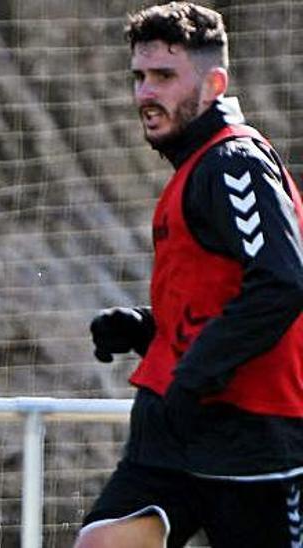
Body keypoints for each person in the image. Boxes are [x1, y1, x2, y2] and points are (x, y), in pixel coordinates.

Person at [77, 3, 303, 547]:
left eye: (164, 77)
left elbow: (281, 283)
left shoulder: (234, 163)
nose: (145, 94)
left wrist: (194, 375)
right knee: (103, 543)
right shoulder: (197, 166)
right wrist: (147, 328)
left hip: (251, 435)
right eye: (139, 77)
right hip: (178, 430)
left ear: (214, 82)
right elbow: (220, 297)